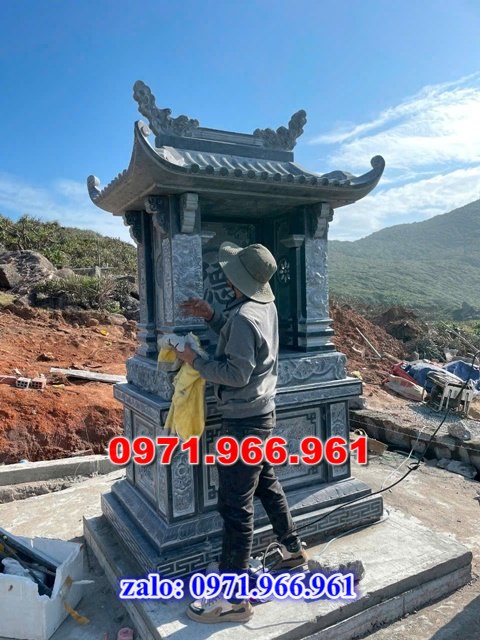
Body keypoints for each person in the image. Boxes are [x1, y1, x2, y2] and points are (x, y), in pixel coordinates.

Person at [175, 241, 307, 624]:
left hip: (243, 423)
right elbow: (241, 340)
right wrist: (212, 315)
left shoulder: (247, 316)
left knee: (235, 508)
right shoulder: (263, 307)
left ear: (237, 279)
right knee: (266, 483)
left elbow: (236, 372)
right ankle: (292, 548)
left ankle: (233, 600)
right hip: (262, 415)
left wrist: (195, 361)